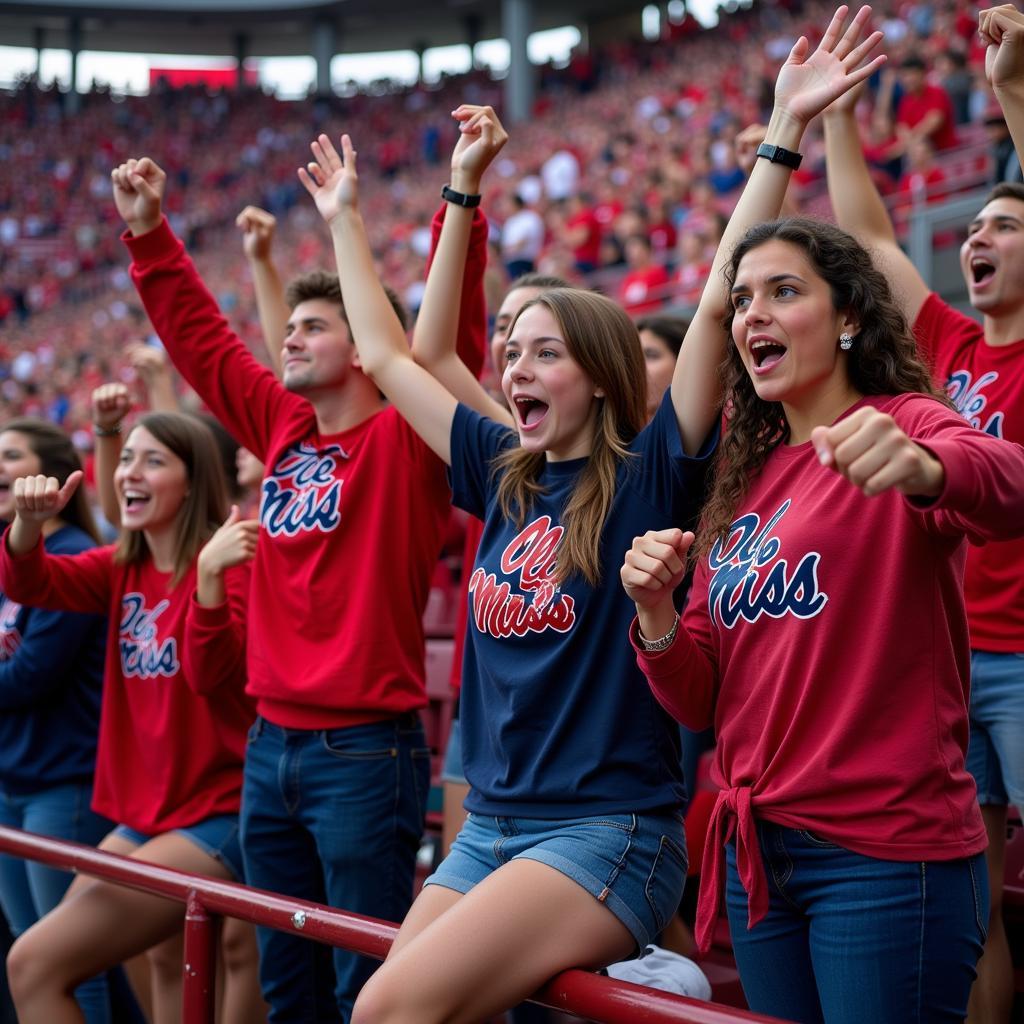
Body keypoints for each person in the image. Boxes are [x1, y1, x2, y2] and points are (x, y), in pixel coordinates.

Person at [296, 11, 883, 1004]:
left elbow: (708, 307)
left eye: (542, 351)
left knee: (388, 1005)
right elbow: (393, 354)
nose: (513, 367)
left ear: (602, 377)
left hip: (605, 830)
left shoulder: (650, 472)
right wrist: (347, 217)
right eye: (510, 350)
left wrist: (780, 132)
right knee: (389, 1003)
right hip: (491, 823)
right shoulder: (502, 471)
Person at [109, 149, 488, 1021]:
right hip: (269, 747)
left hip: (362, 752)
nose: (289, 337)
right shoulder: (283, 423)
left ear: (365, 350)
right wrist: (147, 233)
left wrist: (458, 199)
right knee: (288, 987)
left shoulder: (405, 442)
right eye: (292, 328)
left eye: (315, 327)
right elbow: (202, 345)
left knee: (368, 984)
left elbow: (455, 344)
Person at [823, 7, 1024, 1019]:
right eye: (974, 226)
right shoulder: (942, 337)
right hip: (953, 658)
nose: (977, 237)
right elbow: (865, 234)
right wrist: (837, 119)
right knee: (978, 905)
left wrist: (1010, 93)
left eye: (1005, 224)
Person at [2, 411, 259, 1024]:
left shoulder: (233, 561)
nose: (129, 474)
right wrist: (28, 527)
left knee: (33, 963)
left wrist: (206, 582)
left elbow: (210, 673)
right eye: (124, 460)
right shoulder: (119, 568)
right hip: (147, 813)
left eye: (153, 461)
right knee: (165, 965)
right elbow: (31, 581)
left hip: (223, 810)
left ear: (193, 481)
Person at [0, 420, 111, 1023]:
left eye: (11, 455)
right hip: (12, 780)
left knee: (66, 963)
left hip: (62, 785)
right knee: (28, 946)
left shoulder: (75, 557)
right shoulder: (9, 552)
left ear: (51, 474)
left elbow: (30, 675)